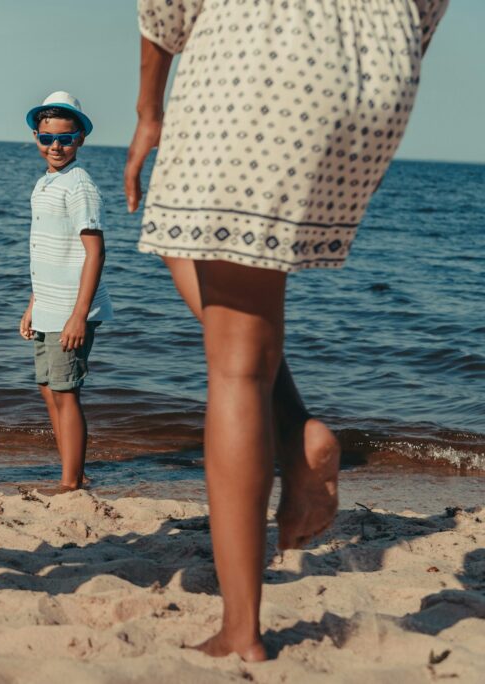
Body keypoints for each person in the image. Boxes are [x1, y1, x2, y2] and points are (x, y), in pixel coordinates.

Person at [125, 0, 449, 661]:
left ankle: (241, 631)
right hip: (373, 76)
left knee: (236, 365)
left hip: (260, 59)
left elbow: (166, 10)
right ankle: (297, 430)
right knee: (189, 248)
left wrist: (148, 111)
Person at [19, 92, 113, 491]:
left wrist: (79, 314)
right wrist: (32, 306)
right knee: (48, 388)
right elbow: (45, 252)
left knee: (66, 390)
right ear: (37, 139)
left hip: (72, 310)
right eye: (46, 138)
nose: (55, 146)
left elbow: (95, 252)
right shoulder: (45, 185)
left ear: (80, 140)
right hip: (47, 307)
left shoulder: (80, 186)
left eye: (64, 138)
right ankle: (74, 469)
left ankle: (71, 481)